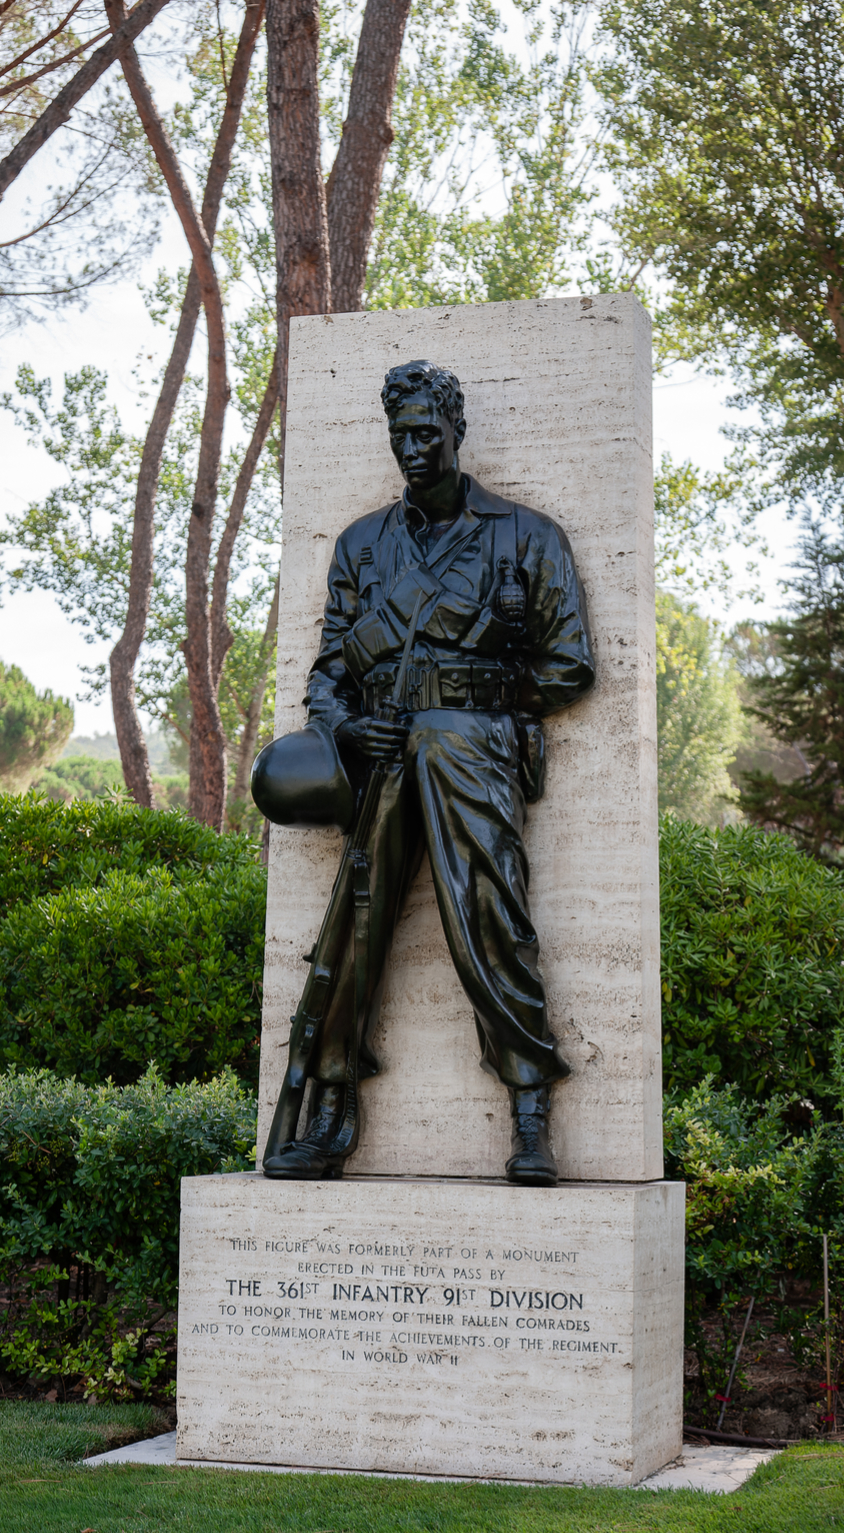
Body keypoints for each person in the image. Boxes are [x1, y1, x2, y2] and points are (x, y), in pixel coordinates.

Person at [256, 359, 595, 1185]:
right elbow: (330, 669)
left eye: (425, 434)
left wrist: (468, 701)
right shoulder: (361, 546)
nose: (412, 448)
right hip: (380, 755)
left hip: (468, 749)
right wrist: (344, 725)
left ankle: (528, 1107)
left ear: (456, 432)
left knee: (489, 912)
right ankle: (330, 1109)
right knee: (357, 928)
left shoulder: (525, 536)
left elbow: (570, 665)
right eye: (399, 434)